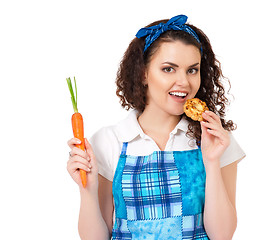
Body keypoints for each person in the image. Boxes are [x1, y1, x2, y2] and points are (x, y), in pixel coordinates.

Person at [67, 14, 246, 240]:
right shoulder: (109, 140)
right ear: (143, 73)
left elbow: (222, 235)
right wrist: (87, 190)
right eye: (168, 69)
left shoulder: (217, 139)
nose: (184, 82)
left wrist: (211, 161)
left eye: (192, 70)